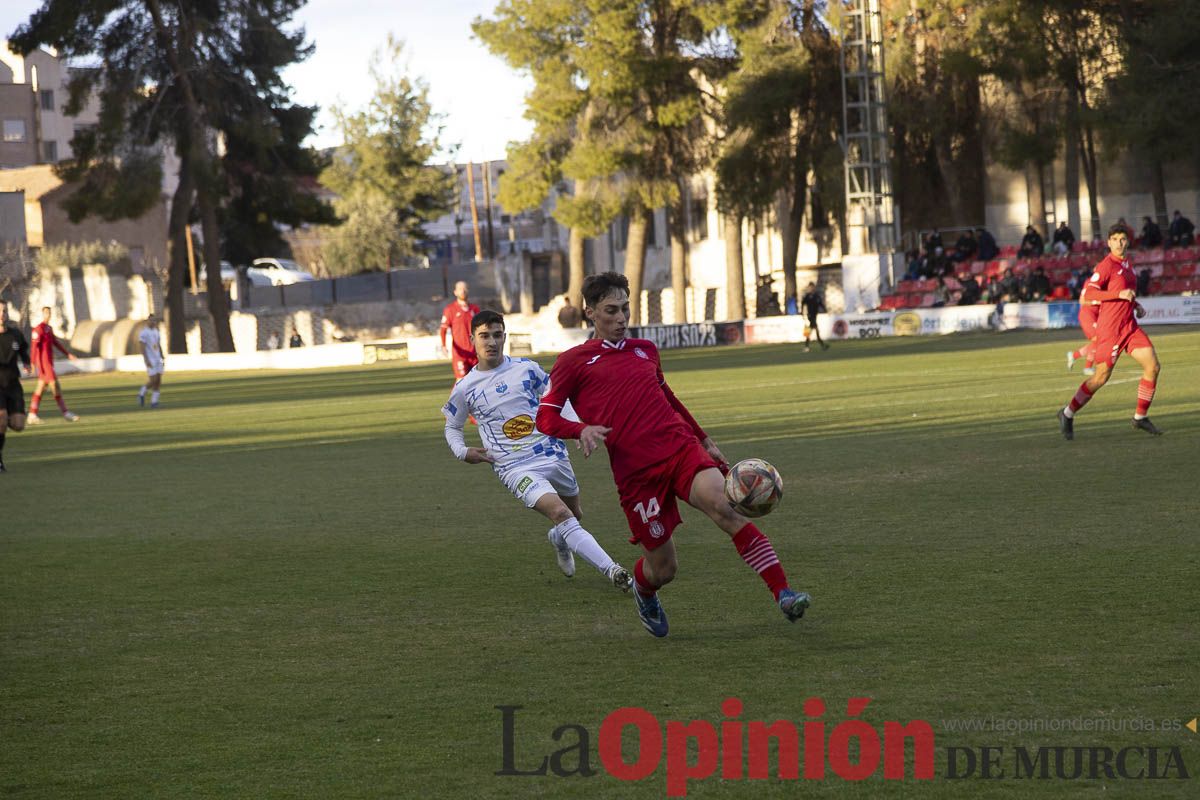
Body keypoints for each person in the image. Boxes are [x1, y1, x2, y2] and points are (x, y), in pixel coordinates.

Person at [537, 271, 811, 638]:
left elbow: (669, 399)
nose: (621, 318)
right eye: (611, 310)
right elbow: (545, 417)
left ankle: (783, 593)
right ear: (590, 313)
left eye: (625, 309)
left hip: (679, 449)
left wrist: (703, 439)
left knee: (725, 508)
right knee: (664, 569)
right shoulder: (573, 361)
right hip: (636, 475)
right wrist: (580, 429)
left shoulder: (645, 350)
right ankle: (644, 590)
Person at [442, 309, 633, 592]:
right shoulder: (465, 388)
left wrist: (576, 428)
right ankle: (614, 570)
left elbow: (556, 399)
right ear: (472, 339)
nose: (491, 342)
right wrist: (463, 452)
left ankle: (559, 540)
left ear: (505, 337)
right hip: (513, 466)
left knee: (574, 514)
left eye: (497, 335)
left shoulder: (527, 369)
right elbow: (452, 427)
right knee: (561, 513)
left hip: (551, 454)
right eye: (484, 336)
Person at [1058, 225, 1162, 440]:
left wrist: (1136, 305)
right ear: (1108, 242)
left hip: (1129, 327)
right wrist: (1119, 293)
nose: (1119, 243)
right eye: (1114, 239)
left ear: (1127, 241)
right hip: (1110, 330)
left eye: (1122, 238)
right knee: (1100, 378)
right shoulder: (1106, 266)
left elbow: (1126, 294)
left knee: (1153, 366)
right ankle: (1067, 413)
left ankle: (1140, 417)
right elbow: (1089, 295)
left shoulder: (1127, 265)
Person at [27, 306, 79, 424]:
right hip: (44, 364)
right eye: (46, 313)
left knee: (41, 388)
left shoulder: (49, 329)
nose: (48, 315)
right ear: (42, 314)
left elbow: (56, 343)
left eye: (49, 313)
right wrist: (33, 363)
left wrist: (68, 354)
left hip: (49, 363)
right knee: (55, 385)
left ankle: (32, 414)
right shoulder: (38, 329)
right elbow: (34, 348)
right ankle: (65, 412)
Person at [0, 304, 33, 473]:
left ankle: (4, 425)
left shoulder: (15, 334)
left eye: (4, 311)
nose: (1, 314)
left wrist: (27, 363)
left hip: (13, 385)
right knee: (1, 418)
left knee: (18, 425)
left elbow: (23, 351)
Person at [439, 281, 482, 381]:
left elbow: (482, 329)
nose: (463, 291)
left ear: (468, 290)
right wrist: (444, 346)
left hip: (475, 353)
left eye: (465, 288)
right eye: (460, 289)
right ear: (455, 292)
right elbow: (443, 329)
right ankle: (455, 397)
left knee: (478, 382)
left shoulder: (475, 309)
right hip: (460, 355)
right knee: (461, 382)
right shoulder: (450, 309)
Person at [1066, 285, 1100, 377]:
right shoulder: (1092, 282)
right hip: (1088, 315)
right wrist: (1098, 301)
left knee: (1097, 341)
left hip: (1095, 316)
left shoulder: (1108, 283)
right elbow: (1082, 300)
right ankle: (1087, 368)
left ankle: (1074, 356)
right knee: (1097, 340)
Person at [137, 314, 165, 408]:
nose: (152, 322)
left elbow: (158, 344)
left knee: (158, 381)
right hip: (151, 359)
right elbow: (142, 347)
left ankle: (154, 401)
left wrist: (162, 356)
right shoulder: (144, 333)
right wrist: (146, 360)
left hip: (158, 359)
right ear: (147, 321)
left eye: (154, 320)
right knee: (153, 380)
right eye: (151, 320)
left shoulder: (156, 331)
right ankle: (142, 392)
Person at [800, 282, 829, 352]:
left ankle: (808, 347)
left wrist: (825, 310)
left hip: (814, 316)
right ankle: (822, 345)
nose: (811, 289)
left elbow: (820, 304)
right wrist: (802, 314)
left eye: (812, 287)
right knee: (815, 331)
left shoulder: (816, 296)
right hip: (809, 317)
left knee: (810, 332)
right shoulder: (807, 296)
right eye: (810, 287)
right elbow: (803, 304)